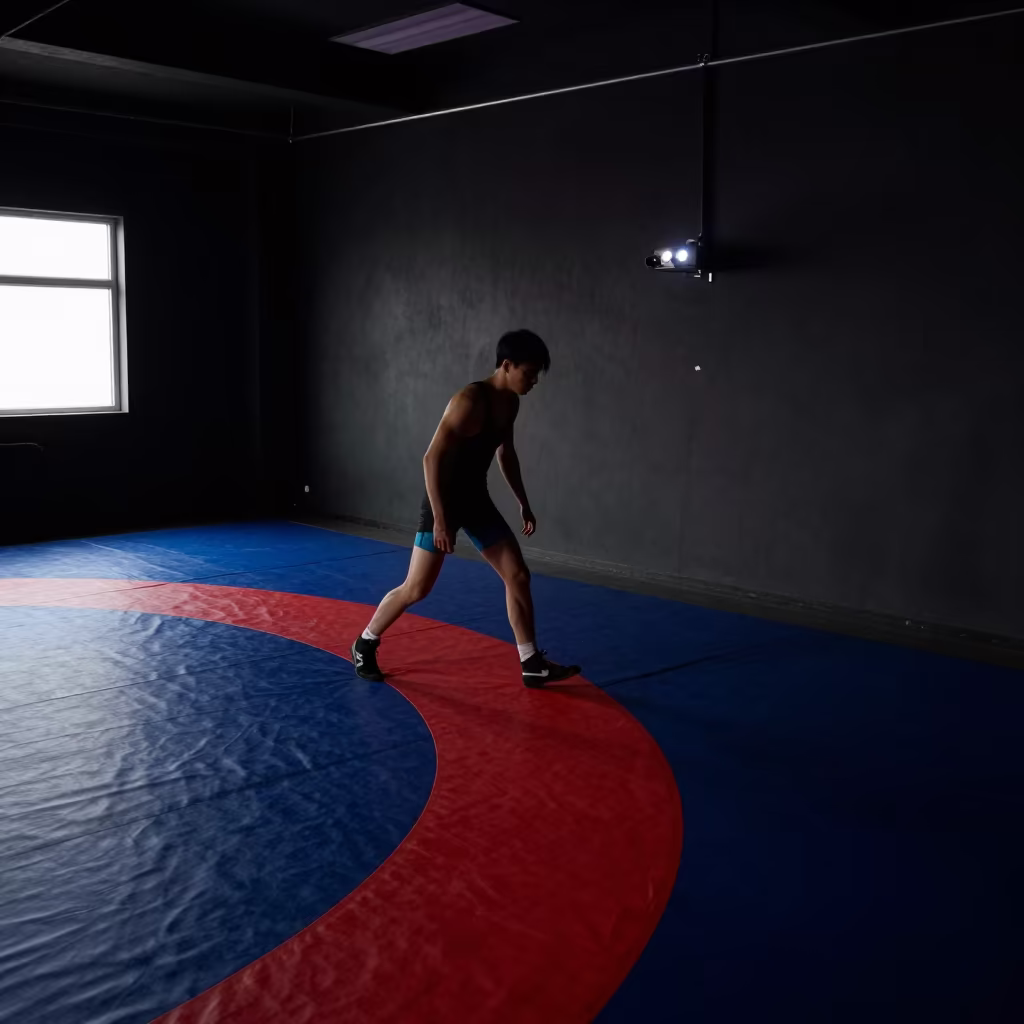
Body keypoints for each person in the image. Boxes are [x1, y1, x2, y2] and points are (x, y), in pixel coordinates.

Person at [351, 330, 581, 688]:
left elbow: (506, 453)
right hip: (442, 499)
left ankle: (531, 661)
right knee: (416, 588)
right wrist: (441, 520)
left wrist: (523, 502)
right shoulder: (469, 400)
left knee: (517, 575)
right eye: (529, 373)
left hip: (476, 499)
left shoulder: (512, 403)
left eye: (537, 374)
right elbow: (430, 460)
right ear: (507, 365)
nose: (534, 381)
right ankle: (365, 642)